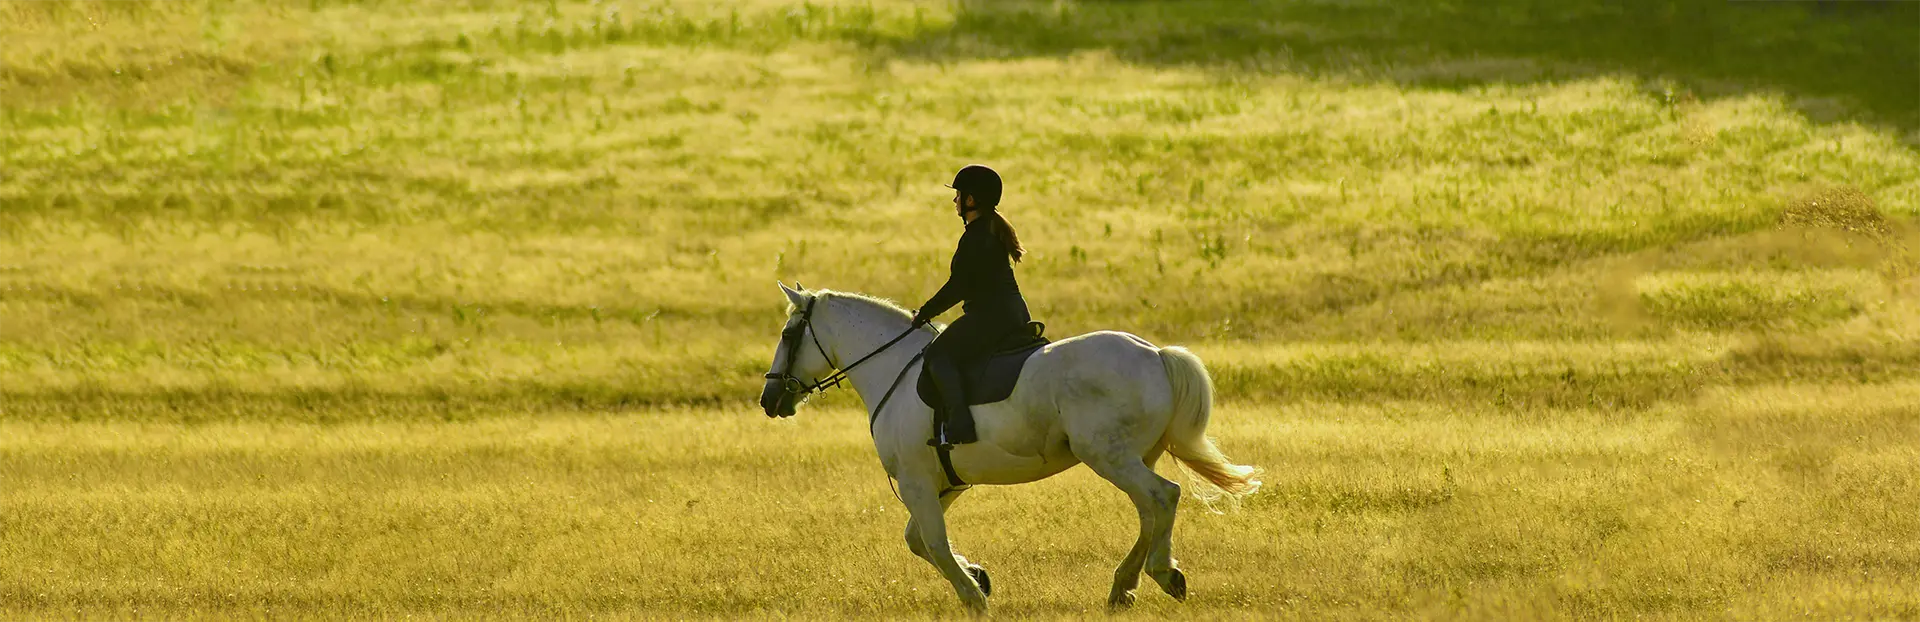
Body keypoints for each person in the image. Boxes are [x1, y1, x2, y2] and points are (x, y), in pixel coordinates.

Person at [911, 164, 1030, 448]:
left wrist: (924, 313)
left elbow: (958, 287)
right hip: (1014, 313)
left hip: (991, 317)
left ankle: (960, 425)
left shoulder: (976, 236)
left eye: (958, 195)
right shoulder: (990, 229)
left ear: (971, 200)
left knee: (937, 354)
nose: (955, 200)